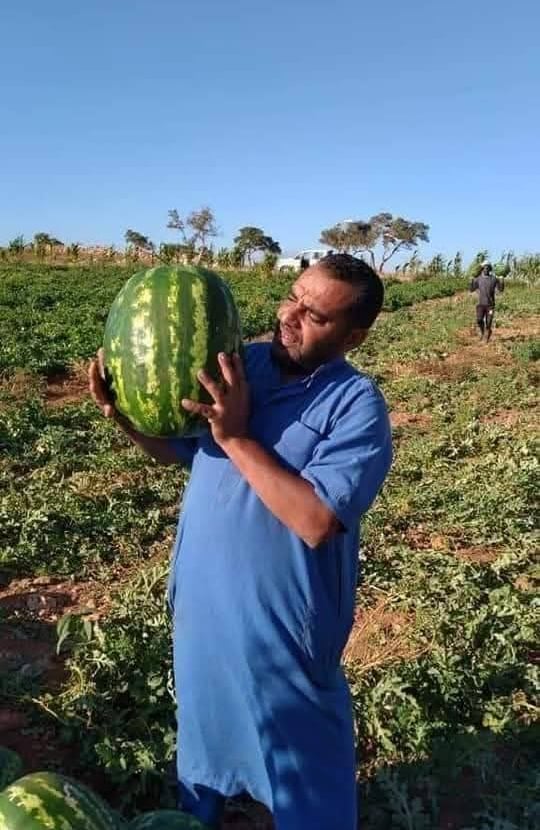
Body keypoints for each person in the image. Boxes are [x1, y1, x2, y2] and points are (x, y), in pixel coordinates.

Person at [89, 253, 393, 830]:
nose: (289, 316)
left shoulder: (356, 406)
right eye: (293, 297)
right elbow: (178, 448)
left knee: (305, 770)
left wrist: (234, 437)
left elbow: (316, 519)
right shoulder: (238, 364)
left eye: (315, 316)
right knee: (207, 746)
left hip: (282, 624)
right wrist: (122, 416)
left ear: (354, 336)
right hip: (203, 607)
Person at [470, 260, 504, 342]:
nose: (486, 269)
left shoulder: (494, 279)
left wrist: (502, 280)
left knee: (488, 323)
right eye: (485, 268)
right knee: (479, 320)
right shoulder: (478, 279)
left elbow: (501, 289)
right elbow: (471, 289)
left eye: (488, 268)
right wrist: (471, 281)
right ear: (482, 269)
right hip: (480, 304)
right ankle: (483, 332)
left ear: (490, 269)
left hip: (490, 305)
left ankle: (487, 334)